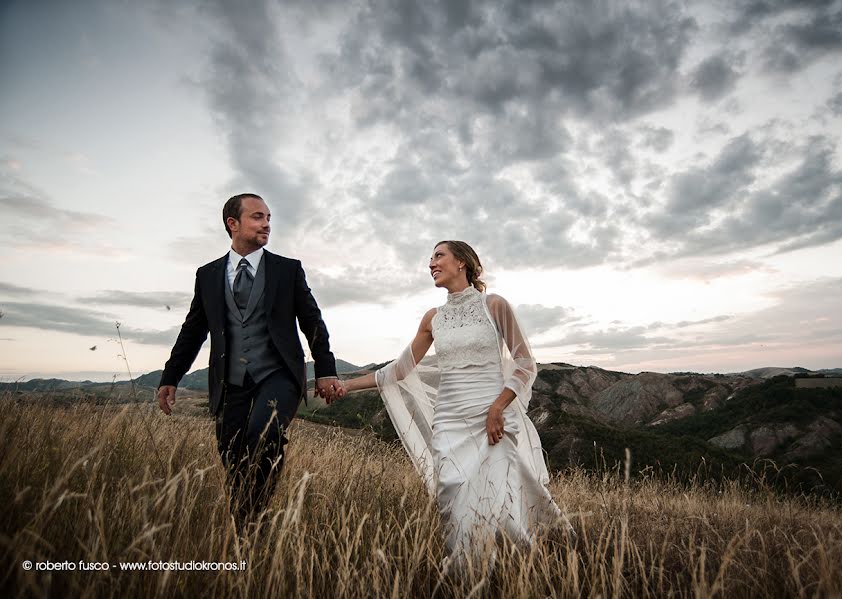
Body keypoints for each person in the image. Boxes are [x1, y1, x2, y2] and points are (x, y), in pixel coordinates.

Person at [338, 240, 568, 570]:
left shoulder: (494, 305)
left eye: (438, 256)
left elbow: (524, 363)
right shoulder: (433, 318)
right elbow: (400, 369)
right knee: (452, 490)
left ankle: (518, 563)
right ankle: (469, 572)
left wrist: (498, 407)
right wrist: (346, 385)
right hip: (448, 421)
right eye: (430, 258)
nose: (431, 263)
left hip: (492, 417)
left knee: (493, 495)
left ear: (462, 262)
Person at [157, 193, 343, 528]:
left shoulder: (287, 270)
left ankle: (252, 520)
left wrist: (326, 370)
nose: (267, 224)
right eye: (258, 217)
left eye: (269, 217)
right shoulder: (208, 275)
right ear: (233, 224)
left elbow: (312, 321)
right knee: (230, 450)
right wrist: (171, 376)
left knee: (263, 434)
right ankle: (244, 521)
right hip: (230, 379)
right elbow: (193, 330)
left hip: (279, 374)